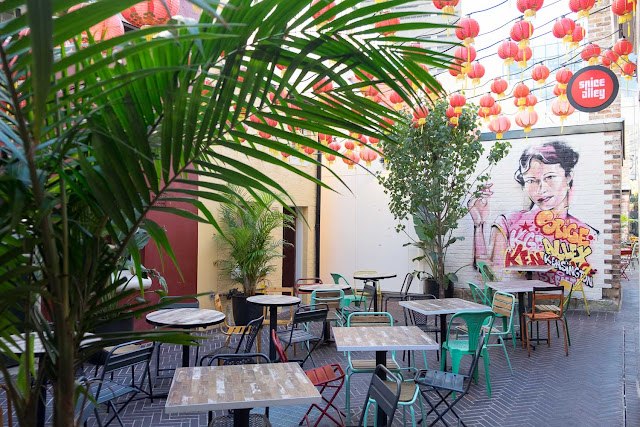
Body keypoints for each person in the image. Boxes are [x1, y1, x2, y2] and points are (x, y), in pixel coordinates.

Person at [468, 141, 598, 286]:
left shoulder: (588, 233)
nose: (541, 189)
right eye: (531, 181)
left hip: (552, 296)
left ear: (568, 176)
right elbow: (491, 274)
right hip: (515, 295)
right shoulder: (508, 222)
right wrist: (478, 226)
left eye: (550, 177)